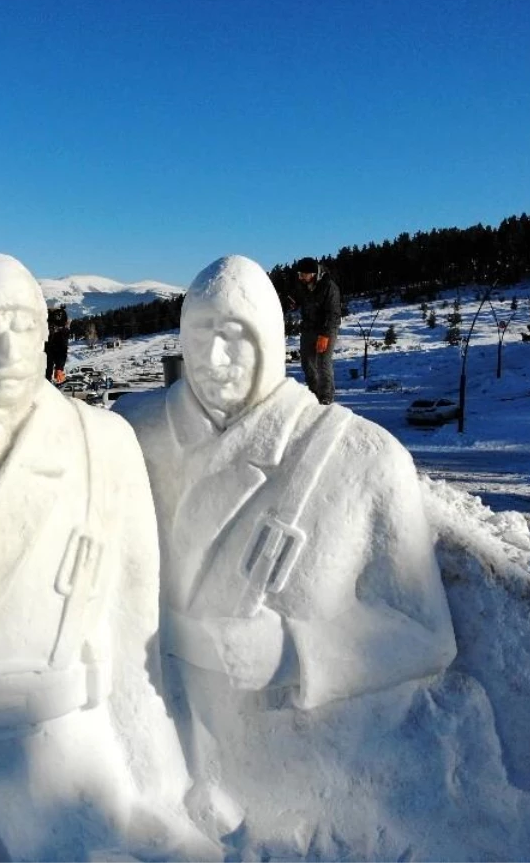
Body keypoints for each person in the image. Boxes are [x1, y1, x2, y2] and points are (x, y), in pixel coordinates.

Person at [0, 254, 218, 863]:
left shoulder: (103, 441)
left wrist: (159, 778)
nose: (5, 350)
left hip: (79, 752)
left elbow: (131, 628)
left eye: (20, 325)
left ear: (46, 333)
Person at [116, 255, 456, 840]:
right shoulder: (129, 431)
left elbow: (427, 635)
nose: (217, 361)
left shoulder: (363, 459)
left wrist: (297, 654)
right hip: (156, 740)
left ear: (272, 343)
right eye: (202, 338)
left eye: (238, 339)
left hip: (291, 785)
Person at [289, 258, 341, 404]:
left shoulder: (329, 286)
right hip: (308, 328)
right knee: (307, 362)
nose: (300, 277)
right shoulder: (303, 285)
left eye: (303, 274)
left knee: (323, 363)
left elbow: (333, 313)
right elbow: (299, 298)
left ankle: (326, 397)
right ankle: (313, 393)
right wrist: (293, 302)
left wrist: (325, 335)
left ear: (312, 273)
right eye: (299, 274)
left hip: (326, 329)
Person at [45, 305, 70, 383]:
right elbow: (62, 351)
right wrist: (59, 368)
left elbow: (62, 351)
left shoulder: (60, 335)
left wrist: (59, 368)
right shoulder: (63, 333)